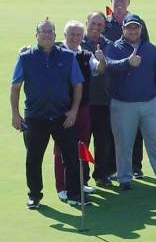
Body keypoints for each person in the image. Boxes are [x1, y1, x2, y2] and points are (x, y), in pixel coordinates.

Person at [11, 19, 88, 208]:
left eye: (49, 31)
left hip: (62, 117)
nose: (46, 34)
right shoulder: (25, 58)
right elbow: (15, 87)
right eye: (42, 31)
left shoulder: (68, 57)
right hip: (35, 118)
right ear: (36, 34)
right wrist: (15, 114)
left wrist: (74, 111)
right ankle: (35, 195)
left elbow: (78, 85)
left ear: (55, 35)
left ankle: (74, 194)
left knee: (71, 156)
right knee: (34, 159)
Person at [105, 14, 156, 190]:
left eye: (136, 27)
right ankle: (124, 178)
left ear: (140, 29)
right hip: (123, 104)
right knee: (123, 143)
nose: (132, 30)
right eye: (129, 27)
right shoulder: (114, 48)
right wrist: (127, 62)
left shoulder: (149, 48)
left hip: (149, 103)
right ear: (123, 29)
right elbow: (109, 65)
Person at [52, 20, 104, 201]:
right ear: (65, 35)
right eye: (71, 34)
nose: (75, 38)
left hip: (83, 108)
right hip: (62, 110)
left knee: (82, 146)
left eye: (78, 35)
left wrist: (102, 59)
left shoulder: (87, 55)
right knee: (61, 149)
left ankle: (79, 183)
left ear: (82, 37)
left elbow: (99, 68)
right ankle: (62, 186)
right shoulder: (56, 52)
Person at [104, 0, 147, 178]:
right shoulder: (105, 23)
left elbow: (145, 49)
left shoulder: (137, 22)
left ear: (129, 2)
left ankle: (136, 166)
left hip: (135, 84)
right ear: (111, 1)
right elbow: (86, 37)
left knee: (137, 128)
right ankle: (114, 167)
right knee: (115, 129)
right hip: (113, 85)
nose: (119, 3)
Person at [80, 12, 115, 186]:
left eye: (100, 25)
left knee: (103, 141)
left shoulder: (109, 45)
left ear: (104, 27)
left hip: (103, 100)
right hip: (83, 102)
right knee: (83, 142)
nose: (96, 28)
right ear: (86, 23)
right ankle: (83, 178)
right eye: (93, 24)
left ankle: (102, 174)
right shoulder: (77, 42)